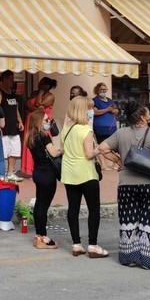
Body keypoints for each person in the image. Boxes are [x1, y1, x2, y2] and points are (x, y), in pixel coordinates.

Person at [98, 99, 150, 269]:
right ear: (142, 117)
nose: (149, 116)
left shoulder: (121, 133)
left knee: (129, 221)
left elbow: (102, 148)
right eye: (147, 113)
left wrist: (118, 160)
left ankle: (129, 257)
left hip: (126, 185)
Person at [61, 96, 108, 258]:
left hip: (69, 173)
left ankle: (76, 244)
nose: (92, 111)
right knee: (93, 209)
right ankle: (93, 245)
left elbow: (63, 149)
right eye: (89, 108)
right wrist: (99, 149)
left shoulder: (66, 128)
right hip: (86, 173)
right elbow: (89, 154)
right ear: (83, 110)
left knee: (73, 208)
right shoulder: (86, 130)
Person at [26, 110, 62, 250]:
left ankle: (38, 234)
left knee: (39, 203)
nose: (48, 122)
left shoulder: (31, 137)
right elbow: (53, 153)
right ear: (39, 121)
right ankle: (44, 236)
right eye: (46, 120)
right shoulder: (44, 136)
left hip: (38, 172)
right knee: (44, 206)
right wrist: (61, 149)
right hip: (47, 174)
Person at [0, 71, 24, 181]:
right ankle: (2, 173)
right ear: (4, 79)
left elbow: (15, 108)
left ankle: (10, 173)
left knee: (15, 150)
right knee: (4, 152)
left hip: (14, 126)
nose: (13, 81)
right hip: (4, 127)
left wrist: (20, 121)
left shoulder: (12, 92)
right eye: (11, 79)